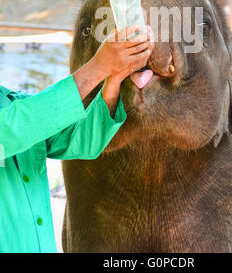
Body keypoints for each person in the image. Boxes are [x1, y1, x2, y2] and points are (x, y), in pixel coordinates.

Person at [0, 24, 154, 253]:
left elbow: (83, 141)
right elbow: (14, 129)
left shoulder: (11, 101)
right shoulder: (18, 115)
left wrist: (113, 79)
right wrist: (98, 67)